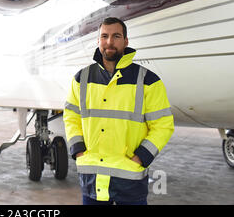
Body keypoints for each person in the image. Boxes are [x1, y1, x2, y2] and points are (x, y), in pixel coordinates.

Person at [63, 17, 174, 205]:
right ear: (98, 41)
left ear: (126, 41)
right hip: (92, 177)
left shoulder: (148, 80)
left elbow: (163, 125)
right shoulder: (81, 78)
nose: (109, 42)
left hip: (129, 179)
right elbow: (71, 117)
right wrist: (78, 150)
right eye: (104, 36)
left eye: (116, 36)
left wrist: (141, 157)